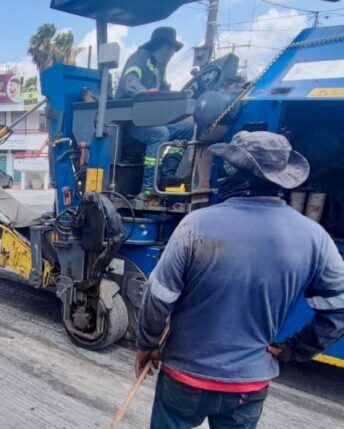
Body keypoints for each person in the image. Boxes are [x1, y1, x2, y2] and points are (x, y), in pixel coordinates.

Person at [135, 131, 344, 428]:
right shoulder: (315, 238)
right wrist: (294, 349)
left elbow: (158, 296)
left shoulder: (195, 225)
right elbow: (339, 309)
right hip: (248, 385)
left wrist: (147, 344)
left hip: (184, 377)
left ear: (235, 174)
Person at [116, 27, 194, 198]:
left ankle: (166, 175)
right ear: (161, 46)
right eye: (170, 50)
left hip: (149, 119)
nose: (171, 54)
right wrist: (145, 93)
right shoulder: (140, 57)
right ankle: (149, 189)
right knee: (159, 134)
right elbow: (130, 84)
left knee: (186, 129)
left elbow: (163, 93)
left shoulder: (159, 68)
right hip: (129, 121)